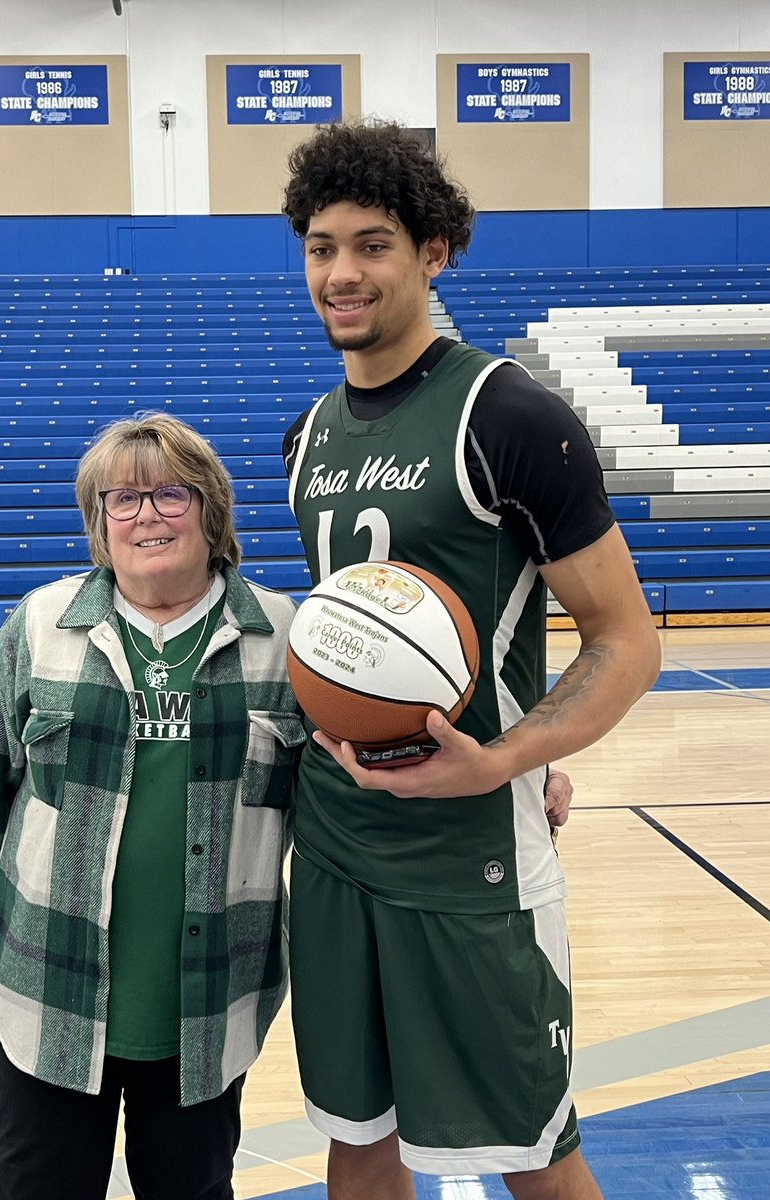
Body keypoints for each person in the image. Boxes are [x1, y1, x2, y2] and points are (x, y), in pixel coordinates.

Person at [280, 121, 661, 1200]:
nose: (341, 272)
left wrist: (511, 758)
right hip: (338, 844)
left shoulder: (508, 415)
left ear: (433, 252)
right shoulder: (305, 436)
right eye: (320, 247)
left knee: (528, 1153)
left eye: (373, 244)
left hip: (470, 860)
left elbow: (626, 643)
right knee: (356, 1136)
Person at [0, 413, 305, 1200]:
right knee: (36, 1188)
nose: (146, 516)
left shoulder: (283, 636)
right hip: (48, 984)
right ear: (98, 521)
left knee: (192, 1190)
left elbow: (348, 784)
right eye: (123, 500)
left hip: (208, 994)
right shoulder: (40, 626)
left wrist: (523, 774)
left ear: (210, 510)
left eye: (170, 495)